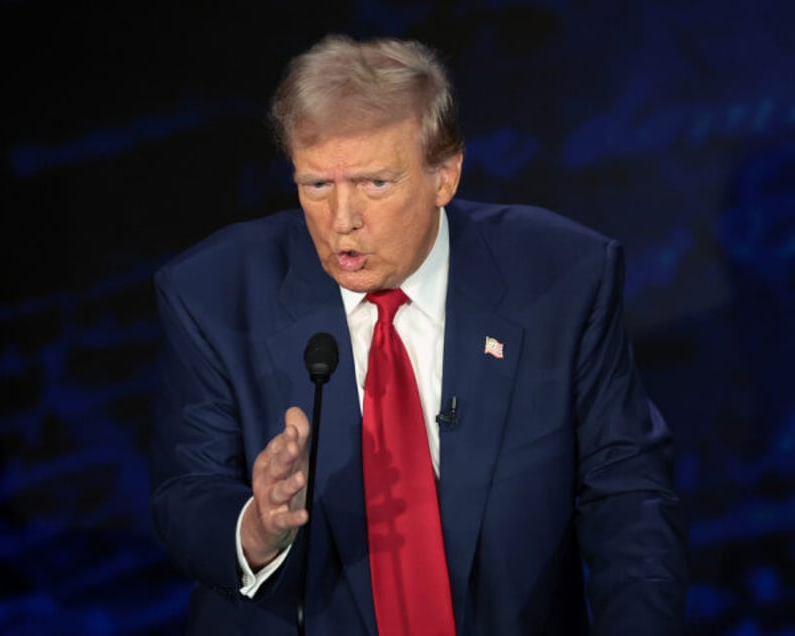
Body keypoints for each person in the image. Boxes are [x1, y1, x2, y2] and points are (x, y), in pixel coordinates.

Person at [151, 34, 688, 635]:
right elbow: (185, 491)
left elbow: (627, 497)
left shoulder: (564, 280)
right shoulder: (213, 294)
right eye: (316, 186)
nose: (341, 220)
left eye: (375, 183)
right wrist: (255, 527)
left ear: (445, 176)